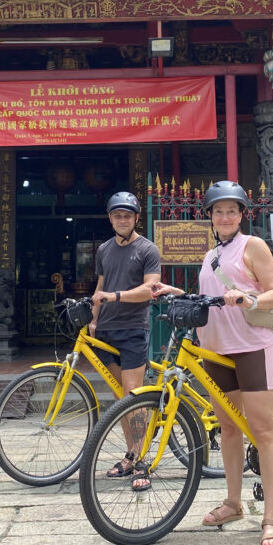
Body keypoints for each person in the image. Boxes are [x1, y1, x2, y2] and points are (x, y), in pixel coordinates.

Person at [152, 180, 273, 545]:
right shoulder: (211, 254)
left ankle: (272, 518)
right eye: (218, 211)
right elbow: (212, 299)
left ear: (242, 214)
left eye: (231, 210)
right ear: (209, 217)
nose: (225, 216)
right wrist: (177, 293)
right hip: (217, 351)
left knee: (263, 431)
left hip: (252, 347)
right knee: (228, 428)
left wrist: (248, 297)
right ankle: (233, 502)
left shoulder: (252, 245)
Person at [89, 190, 162, 492]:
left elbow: (151, 288)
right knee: (122, 399)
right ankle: (131, 455)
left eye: (127, 215)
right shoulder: (104, 249)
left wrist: (115, 297)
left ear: (135, 218)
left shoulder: (147, 249)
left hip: (132, 329)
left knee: (134, 396)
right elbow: (100, 286)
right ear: (110, 218)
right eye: (117, 215)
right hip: (106, 331)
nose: (122, 219)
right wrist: (94, 318)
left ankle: (142, 460)